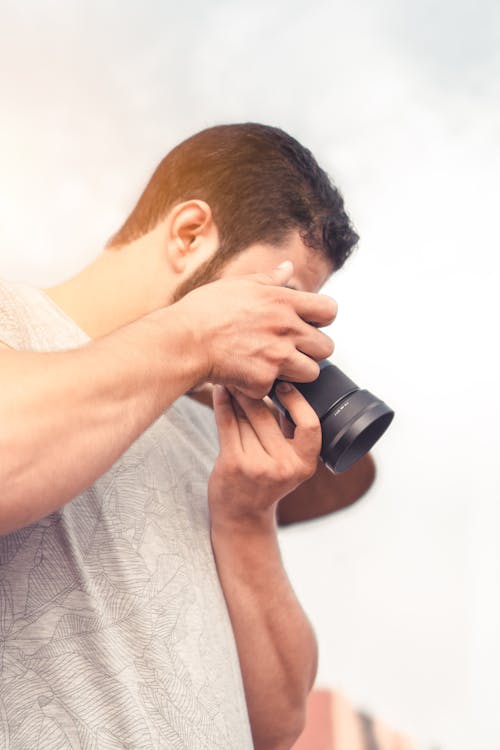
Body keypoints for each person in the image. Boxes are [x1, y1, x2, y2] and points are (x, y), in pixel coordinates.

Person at [0, 123, 374, 749]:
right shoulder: (12, 322)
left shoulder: (211, 435)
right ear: (189, 233)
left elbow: (277, 722)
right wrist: (196, 335)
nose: (285, 334)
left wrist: (247, 517)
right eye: (276, 297)